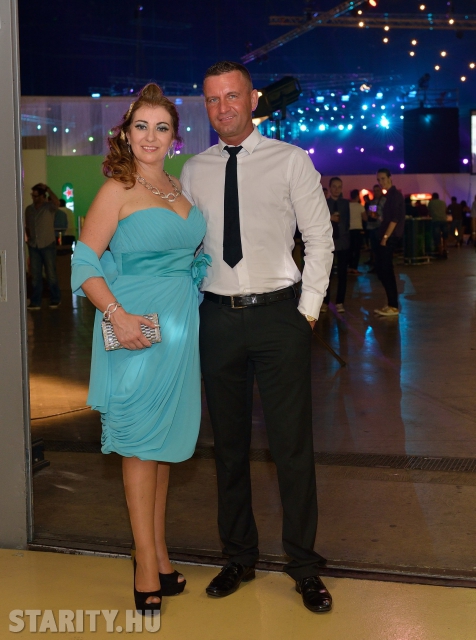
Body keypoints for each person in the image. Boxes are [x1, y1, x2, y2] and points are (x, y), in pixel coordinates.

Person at [180, 61, 334, 614]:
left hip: (278, 318)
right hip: (217, 320)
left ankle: (304, 566)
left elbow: (320, 238)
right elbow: (188, 247)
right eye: (212, 99)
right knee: (228, 449)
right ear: (206, 107)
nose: (223, 107)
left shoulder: (290, 160)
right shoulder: (193, 170)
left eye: (232, 96)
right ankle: (239, 557)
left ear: (252, 100)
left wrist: (307, 311)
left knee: (291, 448)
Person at [71, 83, 208, 617]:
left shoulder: (177, 187)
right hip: (135, 331)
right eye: (141, 126)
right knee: (139, 444)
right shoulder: (117, 188)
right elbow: (84, 262)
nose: (151, 136)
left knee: (164, 445)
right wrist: (117, 316)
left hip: (179, 331)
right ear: (126, 134)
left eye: (161, 127)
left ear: (175, 136)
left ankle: (161, 555)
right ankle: (145, 565)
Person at [373, 168, 405, 317]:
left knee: (386, 270)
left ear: (390, 177)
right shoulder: (387, 196)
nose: (381, 182)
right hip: (386, 236)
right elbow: (388, 218)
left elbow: (395, 219)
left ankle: (393, 305)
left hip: (390, 237)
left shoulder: (395, 195)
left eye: (383, 179)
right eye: (379, 180)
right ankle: (391, 304)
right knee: (382, 270)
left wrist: (385, 237)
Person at [25, 183, 62, 310]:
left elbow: (57, 202)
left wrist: (48, 189)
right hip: (34, 245)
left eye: (36, 196)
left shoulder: (49, 207)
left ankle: (55, 299)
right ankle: (36, 301)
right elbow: (27, 226)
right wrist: (28, 239)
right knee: (35, 275)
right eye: (32, 195)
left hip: (47, 244)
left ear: (42, 196)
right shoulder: (29, 210)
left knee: (51, 273)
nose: (34, 198)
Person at [322, 177, 350, 313]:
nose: (337, 189)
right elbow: (319, 220)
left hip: (343, 242)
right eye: (334, 186)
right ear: (330, 187)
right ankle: (325, 301)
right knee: (327, 274)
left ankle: (340, 302)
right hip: (329, 242)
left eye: (339, 187)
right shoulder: (324, 203)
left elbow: (348, 221)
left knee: (342, 274)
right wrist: (330, 218)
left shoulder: (345, 203)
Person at [366, 183, 385, 271]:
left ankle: (380, 266)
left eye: (378, 191)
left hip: (379, 227)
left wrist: (378, 216)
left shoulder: (384, 200)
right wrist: (370, 214)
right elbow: (370, 213)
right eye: (374, 191)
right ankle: (376, 265)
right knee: (374, 248)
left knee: (379, 248)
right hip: (372, 226)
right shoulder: (373, 201)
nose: (376, 192)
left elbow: (385, 215)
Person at [348, 188, 367, 274]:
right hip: (358, 229)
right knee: (357, 249)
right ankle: (354, 268)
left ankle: (349, 267)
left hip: (349, 230)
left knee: (350, 249)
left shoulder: (347, 206)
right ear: (358, 196)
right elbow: (365, 218)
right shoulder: (360, 206)